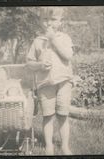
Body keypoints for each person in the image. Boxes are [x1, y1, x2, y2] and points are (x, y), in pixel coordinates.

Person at [26, 7, 73, 155]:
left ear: (60, 22)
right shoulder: (37, 41)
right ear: (40, 21)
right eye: (45, 19)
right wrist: (39, 65)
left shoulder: (65, 38)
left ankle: (65, 146)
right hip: (45, 83)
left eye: (53, 19)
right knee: (47, 115)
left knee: (63, 114)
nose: (48, 23)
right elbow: (29, 63)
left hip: (63, 81)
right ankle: (49, 146)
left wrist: (53, 40)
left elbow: (68, 56)